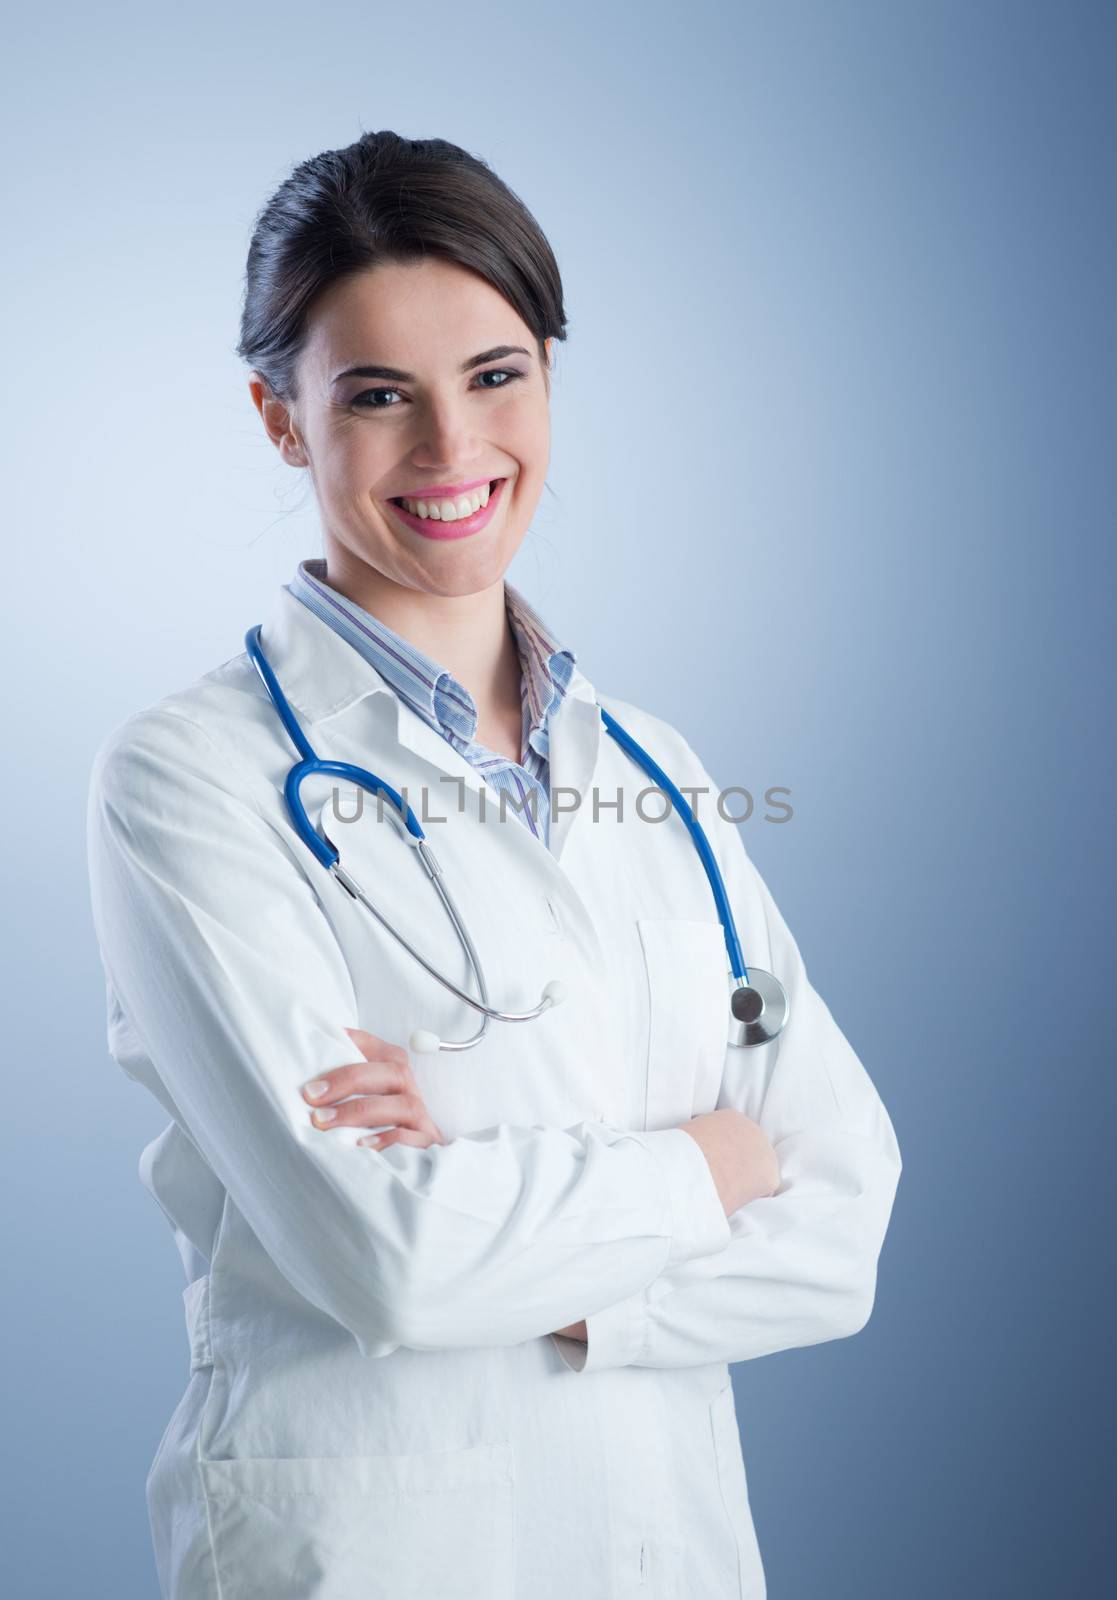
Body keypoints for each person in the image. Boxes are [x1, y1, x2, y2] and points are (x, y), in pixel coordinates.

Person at [86, 129, 902, 1600]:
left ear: (547, 376)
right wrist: (710, 1161)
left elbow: (841, 1220)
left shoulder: (652, 768)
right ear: (281, 419)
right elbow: (387, 1264)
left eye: (495, 376)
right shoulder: (190, 778)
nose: (453, 453)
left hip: (667, 1542)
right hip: (373, 1551)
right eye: (377, 395)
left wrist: (497, 1199)